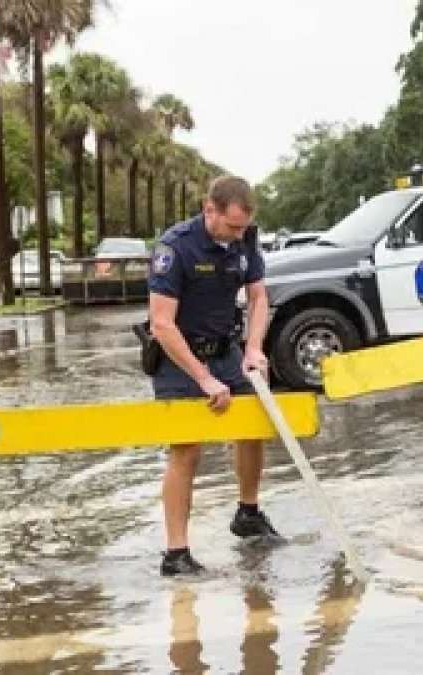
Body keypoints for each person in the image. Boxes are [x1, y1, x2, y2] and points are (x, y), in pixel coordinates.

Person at [147, 175, 277, 576]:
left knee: (254, 424)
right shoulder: (175, 247)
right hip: (179, 358)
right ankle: (176, 552)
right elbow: (161, 324)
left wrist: (254, 348)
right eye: (230, 226)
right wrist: (203, 379)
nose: (236, 235)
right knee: (186, 450)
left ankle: (248, 512)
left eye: (242, 228)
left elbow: (258, 298)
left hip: (226, 352)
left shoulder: (245, 242)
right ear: (210, 210)